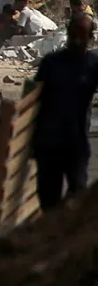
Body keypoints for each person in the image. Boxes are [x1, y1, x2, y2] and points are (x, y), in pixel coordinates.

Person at [30, 12, 98, 210]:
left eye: (82, 35)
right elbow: (32, 100)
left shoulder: (93, 65)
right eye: (73, 34)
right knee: (48, 201)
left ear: (90, 38)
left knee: (78, 196)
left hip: (76, 144)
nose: (77, 40)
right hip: (48, 143)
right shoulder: (51, 63)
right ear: (67, 35)